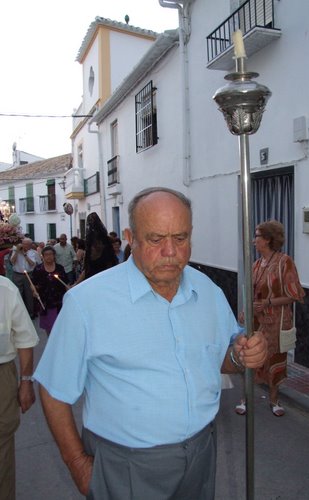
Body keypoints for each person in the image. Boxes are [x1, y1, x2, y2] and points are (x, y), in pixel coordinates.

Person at [34, 187, 267, 499]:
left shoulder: (209, 292)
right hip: (125, 465)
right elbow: (53, 389)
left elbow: (220, 358)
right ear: (131, 237)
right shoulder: (87, 302)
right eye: (156, 239)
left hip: (201, 453)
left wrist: (242, 356)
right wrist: (78, 464)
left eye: (181, 238)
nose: (170, 251)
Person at [235, 220, 305, 417]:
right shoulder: (256, 265)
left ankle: (274, 399)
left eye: (256, 236)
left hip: (276, 323)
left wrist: (268, 303)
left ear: (267, 239)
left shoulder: (284, 262)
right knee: (251, 357)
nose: (253, 240)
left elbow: (295, 295)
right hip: (256, 321)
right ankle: (245, 398)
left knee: (275, 359)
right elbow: (251, 292)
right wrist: (245, 310)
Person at [0, 276, 39, 500]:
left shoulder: (5, 289)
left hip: (2, 375)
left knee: (2, 451)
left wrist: (26, 381)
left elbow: (24, 339)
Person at [32, 246, 68, 336]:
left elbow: (66, 283)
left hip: (59, 301)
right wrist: (34, 291)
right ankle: (51, 344)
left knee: (59, 326)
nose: (49, 256)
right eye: (46, 255)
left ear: (54, 255)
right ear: (42, 256)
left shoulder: (60, 268)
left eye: (51, 254)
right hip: (45, 302)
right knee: (50, 328)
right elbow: (33, 284)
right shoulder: (38, 269)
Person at [75, 213, 118, 284]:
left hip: (103, 280)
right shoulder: (92, 245)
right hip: (95, 280)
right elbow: (86, 269)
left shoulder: (105, 246)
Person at [9, 237, 41, 318]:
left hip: (28, 275)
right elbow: (12, 261)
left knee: (29, 294)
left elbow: (32, 264)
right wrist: (17, 252)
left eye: (27, 244)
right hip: (17, 274)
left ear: (30, 245)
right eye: (24, 244)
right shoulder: (15, 251)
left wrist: (24, 254)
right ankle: (19, 314)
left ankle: (30, 313)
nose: (25, 246)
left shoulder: (33, 253)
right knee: (18, 293)